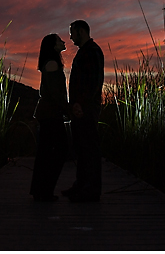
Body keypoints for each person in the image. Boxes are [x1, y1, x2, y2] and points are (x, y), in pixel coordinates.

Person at [62, 19, 105, 202]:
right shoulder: (85, 52)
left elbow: (93, 82)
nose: (70, 37)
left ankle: (91, 189)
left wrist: (81, 104)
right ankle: (81, 185)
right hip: (80, 108)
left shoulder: (92, 52)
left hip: (86, 109)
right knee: (81, 147)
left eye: (72, 32)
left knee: (89, 148)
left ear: (81, 31)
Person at [29, 33, 69, 202]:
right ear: (53, 45)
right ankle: (44, 190)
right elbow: (54, 93)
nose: (64, 41)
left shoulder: (52, 63)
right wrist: (67, 109)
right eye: (60, 40)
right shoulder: (52, 64)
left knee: (46, 152)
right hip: (51, 114)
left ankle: (41, 190)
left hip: (49, 114)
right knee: (59, 150)